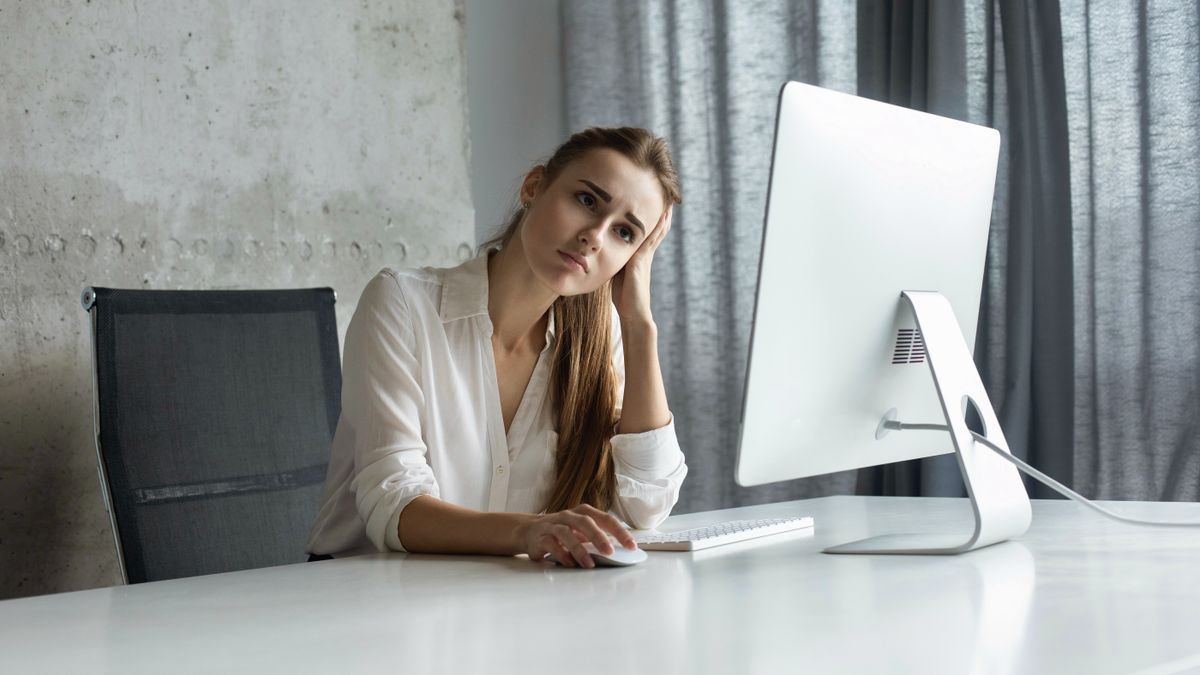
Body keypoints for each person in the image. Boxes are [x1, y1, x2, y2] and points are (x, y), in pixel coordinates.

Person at [305, 127, 687, 569]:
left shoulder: (601, 342)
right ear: (534, 186)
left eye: (624, 233)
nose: (595, 237)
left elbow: (648, 506)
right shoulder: (404, 303)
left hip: (500, 598)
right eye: (586, 201)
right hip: (363, 599)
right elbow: (393, 504)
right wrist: (528, 531)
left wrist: (639, 325)